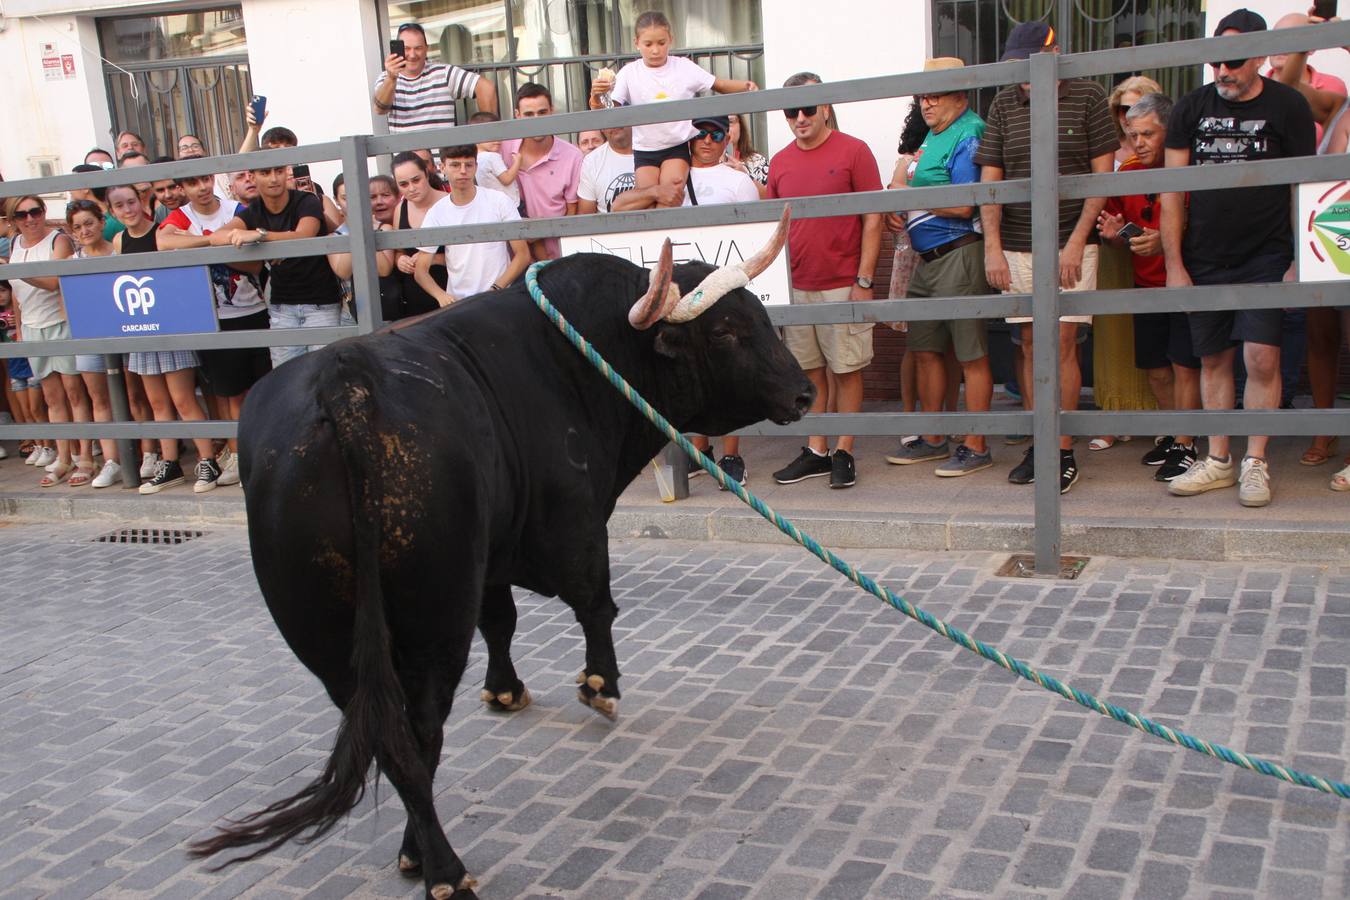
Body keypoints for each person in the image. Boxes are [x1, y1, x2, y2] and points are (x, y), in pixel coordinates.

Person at [1161, 8, 1316, 508]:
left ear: (1257, 57)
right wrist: (1174, 265)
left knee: (1262, 356)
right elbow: (1168, 191)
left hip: (1266, 252)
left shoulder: (1289, 105)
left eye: (1233, 62)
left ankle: (1255, 461)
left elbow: (1301, 185)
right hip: (1203, 253)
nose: (1222, 72)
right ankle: (1220, 460)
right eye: (1215, 64)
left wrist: (1297, 260)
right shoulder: (1191, 106)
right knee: (1213, 358)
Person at [976, 21, 1118, 495]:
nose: (1022, 74)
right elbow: (991, 180)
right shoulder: (1003, 102)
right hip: (1016, 240)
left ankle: (1059, 449)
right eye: (1016, 65)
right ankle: (1040, 441)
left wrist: (1078, 241)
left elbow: (1101, 176)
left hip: (1069, 237)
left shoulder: (1089, 95)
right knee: (1028, 343)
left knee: (1062, 341)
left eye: (1029, 63)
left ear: (1053, 54)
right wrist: (992, 246)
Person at [610, 115, 759, 486]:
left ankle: (732, 455)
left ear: (728, 137)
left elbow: (752, 231)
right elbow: (617, 206)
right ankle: (699, 450)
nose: (708, 141)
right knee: (691, 370)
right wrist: (657, 193)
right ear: (689, 139)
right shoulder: (672, 176)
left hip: (724, 289)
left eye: (717, 134)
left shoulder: (739, 181)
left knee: (730, 371)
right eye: (700, 134)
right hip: (685, 290)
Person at [767, 72, 883, 490]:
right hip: (796, 284)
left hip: (843, 280)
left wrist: (864, 278)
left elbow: (874, 216)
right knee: (808, 370)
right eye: (790, 111)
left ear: (826, 106)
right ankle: (817, 449)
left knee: (846, 369)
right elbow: (773, 224)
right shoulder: (779, 161)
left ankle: (845, 450)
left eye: (807, 108)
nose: (799, 117)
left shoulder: (855, 150)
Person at [883, 58, 995, 478]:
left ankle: (977, 445)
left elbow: (966, 202)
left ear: (960, 95)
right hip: (926, 259)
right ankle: (934, 438)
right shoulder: (932, 134)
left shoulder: (969, 132)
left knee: (971, 354)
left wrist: (908, 197)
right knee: (925, 349)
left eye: (935, 94)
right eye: (922, 96)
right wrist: (901, 211)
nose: (926, 103)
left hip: (958, 251)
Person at [1096, 93, 1203, 483]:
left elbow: (1203, 226)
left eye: (1148, 133)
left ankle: (1186, 442)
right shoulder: (1128, 172)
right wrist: (1112, 234)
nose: (1139, 142)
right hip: (1144, 284)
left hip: (1185, 281)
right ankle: (1174, 435)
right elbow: (1114, 223)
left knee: (1185, 366)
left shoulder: (1190, 167)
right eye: (1132, 134)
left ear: (1169, 130)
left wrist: (1166, 239)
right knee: (1157, 369)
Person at [159, 172, 272, 487]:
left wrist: (199, 250)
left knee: (263, 389)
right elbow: (163, 241)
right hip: (212, 318)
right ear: (183, 187)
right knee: (229, 393)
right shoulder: (180, 216)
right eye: (193, 183)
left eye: (206, 180)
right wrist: (213, 242)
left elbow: (254, 265)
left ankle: (267, 453)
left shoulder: (236, 210)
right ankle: (239, 456)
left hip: (253, 310)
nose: (202, 187)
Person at [1271, 12, 1349, 468]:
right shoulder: (1336, 104)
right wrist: (1306, 38)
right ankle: (1325, 431)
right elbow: (1290, 86)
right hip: (1326, 234)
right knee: (1321, 335)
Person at [108, 183, 221, 494]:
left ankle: (207, 459)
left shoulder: (164, 232)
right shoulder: (119, 240)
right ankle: (169, 463)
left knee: (184, 399)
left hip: (170, 326)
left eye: (132, 202)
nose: (128, 210)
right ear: (112, 211)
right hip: (140, 328)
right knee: (158, 401)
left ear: (142, 200)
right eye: (120, 206)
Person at [587, 10, 756, 208]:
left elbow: (717, 84)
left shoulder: (683, 67)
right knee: (647, 204)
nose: (655, 50)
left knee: (670, 199)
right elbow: (609, 111)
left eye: (661, 43)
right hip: (645, 149)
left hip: (676, 146)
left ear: (670, 40)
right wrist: (596, 96)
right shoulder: (629, 72)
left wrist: (747, 86)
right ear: (636, 43)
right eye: (648, 44)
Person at [209, 163, 344, 367]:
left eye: (279, 171)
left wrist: (261, 236)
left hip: (321, 304)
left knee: (322, 378)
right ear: (252, 176)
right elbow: (216, 238)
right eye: (265, 172)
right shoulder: (254, 209)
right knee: (284, 381)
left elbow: (303, 236)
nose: (274, 178)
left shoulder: (306, 201)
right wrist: (254, 238)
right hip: (282, 307)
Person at [4, 194, 94, 487]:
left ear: (43, 212)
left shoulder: (58, 240)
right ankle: (63, 457)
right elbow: (16, 296)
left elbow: (56, 281)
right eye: (22, 215)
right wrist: (18, 328)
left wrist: (20, 273)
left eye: (35, 211)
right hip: (31, 327)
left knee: (74, 393)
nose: (30, 219)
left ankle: (86, 458)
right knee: (51, 397)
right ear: (14, 220)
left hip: (59, 323)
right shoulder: (16, 244)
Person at [414, 145, 530, 306]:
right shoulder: (436, 212)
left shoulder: (499, 200)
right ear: (442, 167)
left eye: (468, 165)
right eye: (455, 165)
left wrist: (496, 289)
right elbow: (421, 270)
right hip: (459, 304)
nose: (463, 171)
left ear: (476, 166)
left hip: (500, 299)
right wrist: (442, 296)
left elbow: (523, 255)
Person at [64, 199, 125, 488]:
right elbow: (69, 307)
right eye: (77, 227)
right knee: (99, 399)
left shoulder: (120, 252)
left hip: (125, 333)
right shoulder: (72, 265)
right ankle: (112, 460)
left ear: (102, 222)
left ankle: (146, 454)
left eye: (89, 223)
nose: (84, 230)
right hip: (89, 338)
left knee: (136, 398)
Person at [500, 83, 583, 260]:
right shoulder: (502, 150)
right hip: (509, 259)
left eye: (542, 112)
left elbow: (572, 214)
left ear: (551, 111)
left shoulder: (572, 156)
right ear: (517, 115)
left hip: (557, 259)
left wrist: (540, 230)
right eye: (529, 114)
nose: (536, 120)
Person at [373, 21, 496, 133]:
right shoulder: (386, 78)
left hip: (440, 157)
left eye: (418, 48)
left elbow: (486, 88)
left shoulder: (443, 73)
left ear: (427, 49)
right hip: (406, 157)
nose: (412, 54)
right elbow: (380, 109)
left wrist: (488, 136)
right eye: (406, 49)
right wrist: (391, 78)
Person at [328, 173, 403, 322]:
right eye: (345, 197)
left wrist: (365, 228)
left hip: (386, 309)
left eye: (357, 195)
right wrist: (356, 227)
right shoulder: (334, 236)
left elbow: (383, 269)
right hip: (351, 313)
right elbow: (344, 271)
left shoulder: (385, 228)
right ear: (336, 201)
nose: (353, 202)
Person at [391, 151, 450, 318]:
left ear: (427, 173)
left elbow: (471, 254)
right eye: (403, 184)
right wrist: (400, 260)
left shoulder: (450, 202)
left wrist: (433, 259)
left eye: (416, 180)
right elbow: (399, 250)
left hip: (450, 289)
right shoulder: (400, 209)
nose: (411, 188)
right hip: (414, 295)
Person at [576, 127, 636, 214]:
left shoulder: (652, 149)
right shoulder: (591, 161)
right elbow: (585, 216)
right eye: (584, 142)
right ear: (602, 129)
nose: (591, 146)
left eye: (595, 140)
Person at [468, 111, 522, 207]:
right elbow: (507, 179)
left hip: (491, 205)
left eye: (498, 134)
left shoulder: (475, 159)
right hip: (509, 204)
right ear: (476, 136)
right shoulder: (492, 157)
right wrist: (517, 163)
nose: (497, 140)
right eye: (491, 135)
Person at [724, 113, 769, 195]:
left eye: (730, 122)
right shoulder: (705, 164)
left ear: (740, 126)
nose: (725, 128)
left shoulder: (758, 162)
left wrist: (746, 176)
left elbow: (770, 199)